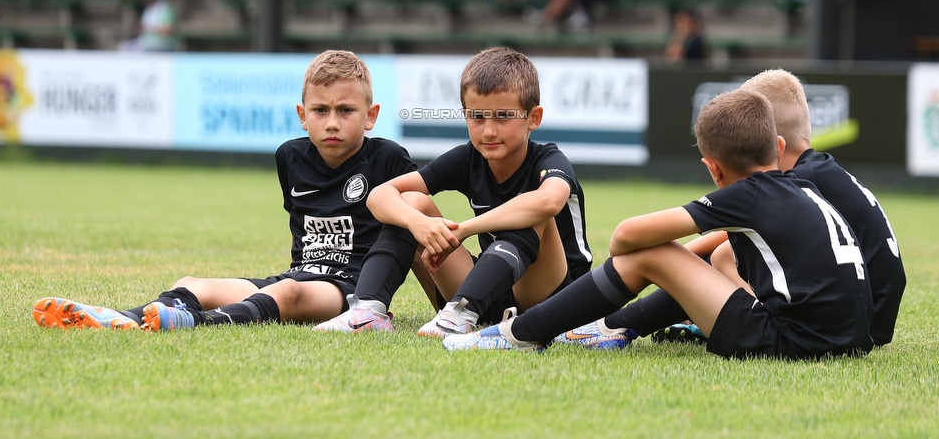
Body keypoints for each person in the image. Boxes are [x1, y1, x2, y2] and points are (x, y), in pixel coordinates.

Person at [444, 88, 875, 360]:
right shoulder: (803, 187)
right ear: (777, 147)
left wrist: (658, 262)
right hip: (848, 341)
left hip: (790, 343)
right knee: (721, 252)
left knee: (654, 253)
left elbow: (624, 237)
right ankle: (612, 328)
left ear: (713, 169)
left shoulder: (749, 194)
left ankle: (521, 333)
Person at [33, 50, 418, 332]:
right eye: (320, 110)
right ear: (303, 116)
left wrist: (379, 297)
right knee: (190, 283)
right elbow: (299, 227)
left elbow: (413, 224)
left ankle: (193, 323)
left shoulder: (387, 158)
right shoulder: (290, 156)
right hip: (299, 273)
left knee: (288, 295)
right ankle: (122, 318)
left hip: (345, 289)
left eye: (346, 111)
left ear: (371, 115)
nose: (331, 122)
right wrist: (299, 270)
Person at [556, 68, 905, 350]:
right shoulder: (817, 172)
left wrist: (667, 266)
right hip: (857, 316)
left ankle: (618, 325)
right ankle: (656, 320)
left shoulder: (793, 184)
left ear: (770, 139)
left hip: (851, 321)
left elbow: (706, 243)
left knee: (712, 256)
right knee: (724, 255)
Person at [314, 46, 592, 337]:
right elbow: (379, 196)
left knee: (530, 210)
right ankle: (367, 311)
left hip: (558, 299)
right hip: (494, 294)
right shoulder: (468, 158)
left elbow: (548, 201)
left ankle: (460, 313)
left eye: (503, 116)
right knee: (411, 202)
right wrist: (419, 224)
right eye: (477, 117)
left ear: (533, 118)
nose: (489, 131)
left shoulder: (549, 160)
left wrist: (464, 230)